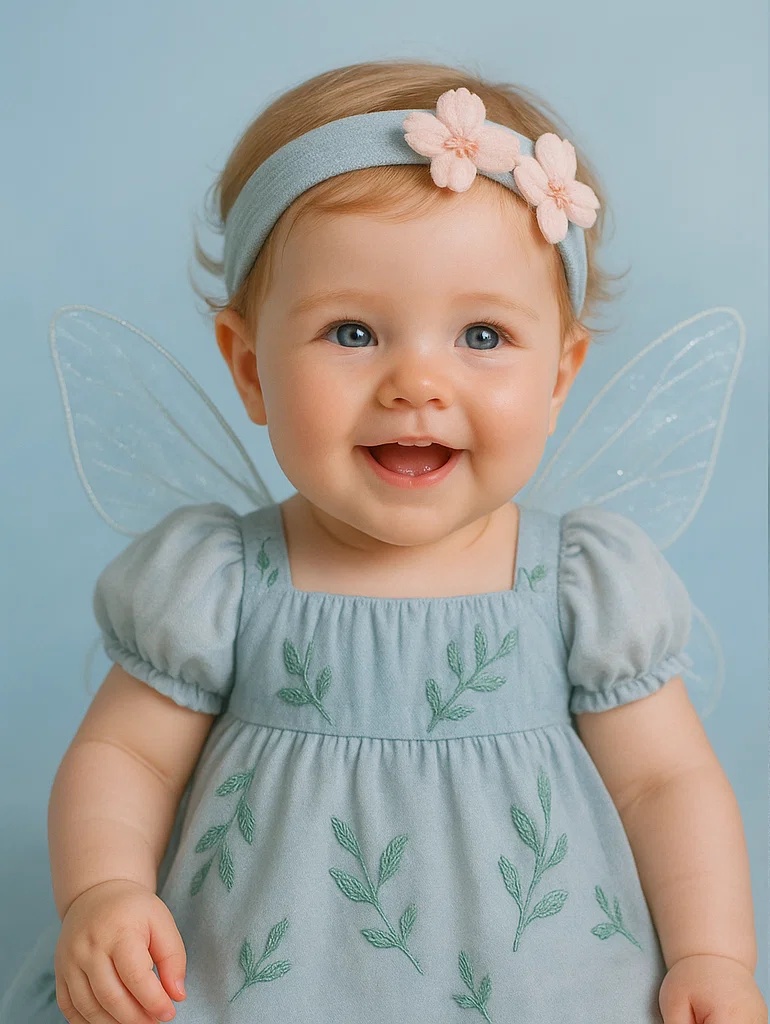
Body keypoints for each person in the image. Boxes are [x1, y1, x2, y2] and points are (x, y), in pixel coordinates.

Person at [1, 59, 765, 1024]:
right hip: (256, 989)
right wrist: (104, 891)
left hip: (546, 991)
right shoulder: (221, 581)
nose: (417, 384)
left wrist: (713, 956)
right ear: (250, 368)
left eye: (481, 336)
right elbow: (129, 757)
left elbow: (664, 783)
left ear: (560, 375)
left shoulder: (578, 586)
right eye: (353, 332)